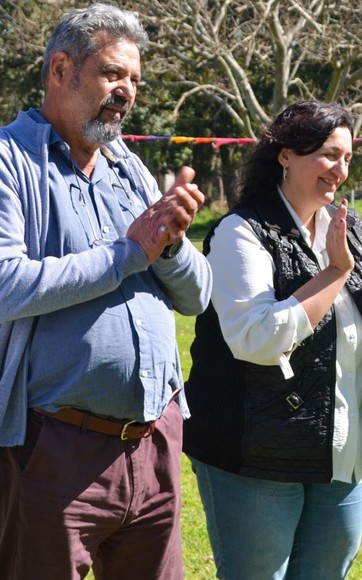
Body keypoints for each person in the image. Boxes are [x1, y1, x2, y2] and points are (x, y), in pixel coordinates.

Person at [182, 100, 362, 579]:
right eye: (327, 154)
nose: (340, 169)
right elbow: (257, 339)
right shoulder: (240, 232)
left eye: (346, 157)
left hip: (343, 453)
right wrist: (336, 272)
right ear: (285, 155)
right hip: (253, 456)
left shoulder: (349, 228)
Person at [0, 4, 212, 578]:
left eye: (135, 81)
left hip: (154, 443)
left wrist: (169, 246)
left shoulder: (131, 171)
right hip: (55, 447)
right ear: (60, 69)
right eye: (112, 74)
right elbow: (5, 284)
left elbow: (197, 297)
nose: (126, 92)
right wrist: (128, 255)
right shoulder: (9, 161)